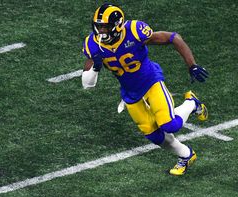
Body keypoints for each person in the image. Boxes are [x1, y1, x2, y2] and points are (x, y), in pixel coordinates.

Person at [82, 3, 209, 176]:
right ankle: (186, 156)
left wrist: (192, 65)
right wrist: (95, 67)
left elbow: (173, 37)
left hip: (151, 82)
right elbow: (87, 84)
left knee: (170, 125)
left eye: (105, 27)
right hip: (130, 92)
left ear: (117, 25)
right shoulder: (93, 44)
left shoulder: (134, 30)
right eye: (99, 26)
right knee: (155, 137)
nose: (101, 31)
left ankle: (191, 103)